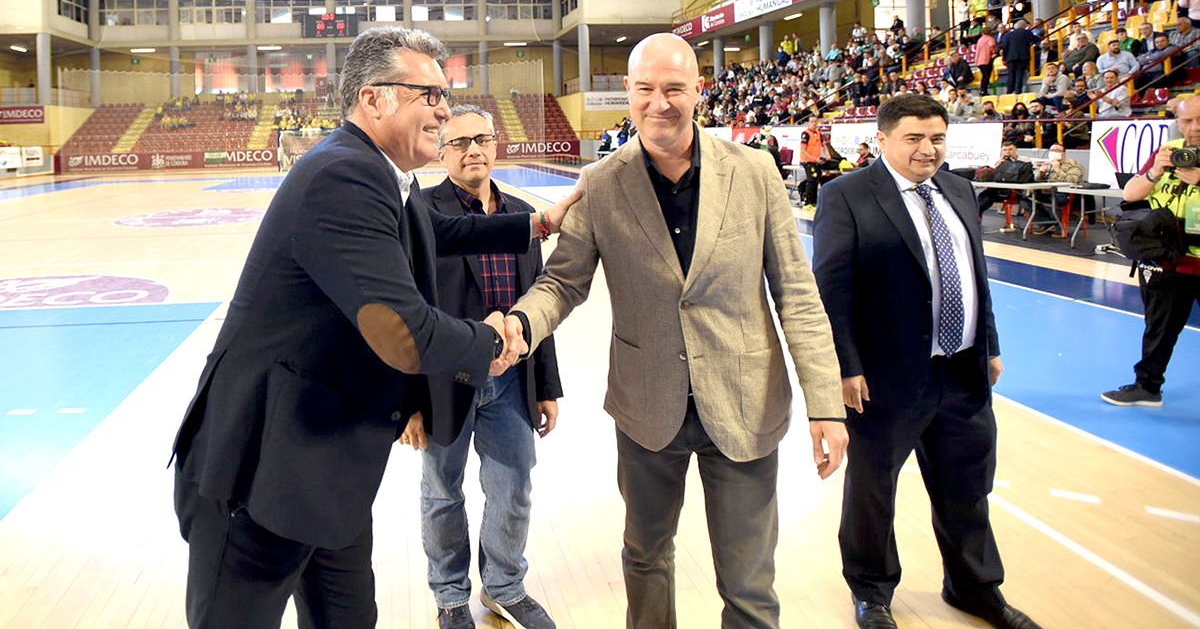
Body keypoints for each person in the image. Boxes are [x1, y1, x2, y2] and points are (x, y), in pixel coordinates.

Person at [170, 27, 578, 629]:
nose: (444, 107)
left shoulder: (382, 175)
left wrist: (535, 223)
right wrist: (493, 339)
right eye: (429, 93)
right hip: (260, 473)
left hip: (326, 466)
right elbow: (403, 333)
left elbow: (433, 235)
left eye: (446, 92)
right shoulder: (342, 176)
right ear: (373, 99)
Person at [505, 33, 849, 629]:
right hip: (647, 407)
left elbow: (797, 292)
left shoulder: (756, 171)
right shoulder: (603, 181)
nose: (659, 102)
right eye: (645, 89)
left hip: (745, 403)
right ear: (628, 95)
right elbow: (563, 283)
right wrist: (517, 325)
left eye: (673, 89)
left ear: (698, 92)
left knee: (748, 582)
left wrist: (827, 403)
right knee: (645, 558)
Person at [812, 96, 1041, 629]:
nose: (927, 148)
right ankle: (871, 591)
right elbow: (832, 289)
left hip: (962, 371)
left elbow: (975, 276)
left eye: (936, 137)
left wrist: (991, 344)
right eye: (914, 138)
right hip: (885, 377)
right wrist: (844, 367)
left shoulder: (959, 189)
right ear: (884, 139)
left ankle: (974, 587)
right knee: (873, 489)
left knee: (968, 485)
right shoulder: (845, 195)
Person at [399, 105, 564, 629]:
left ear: (496, 146)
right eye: (460, 141)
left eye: (483, 139)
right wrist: (407, 404)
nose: (473, 149)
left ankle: (504, 587)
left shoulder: (518, 213)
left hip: (512, 379)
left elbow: (540, 302)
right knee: (443, 490)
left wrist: (546, 386)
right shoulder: (421, 213)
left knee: (514, 484)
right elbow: (404, 313)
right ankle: (450, 595)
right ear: (442, 152)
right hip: (444, 383)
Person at [1103, 96, 1200, 407]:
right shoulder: (1168, 152)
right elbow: (1131, 194)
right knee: (1158, 329)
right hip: (1170, 261)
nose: (1194, 128)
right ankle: (1147, 387)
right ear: (1177, 121)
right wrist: (1155, 171)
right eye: (1187, 121)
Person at [998, 20, 1034, 94]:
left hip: (1010, 57)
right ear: (1024, 26)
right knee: (1019, 73)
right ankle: (1018, 90)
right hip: (1022, 57)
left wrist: (1004, 58)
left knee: (1011, 74)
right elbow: (1036, 39)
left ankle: (1009, 90)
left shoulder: (1007, 35)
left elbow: (1004, 46)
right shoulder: (1026, 33)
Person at [974, 25, 998, 97]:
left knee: (984, 76)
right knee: (986, 76)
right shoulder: (990, 38)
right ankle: (984, 90)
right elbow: (992, 46)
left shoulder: (980, 39)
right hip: (987, 59)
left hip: (979, 60)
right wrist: (995, 52)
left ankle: (982, 90)